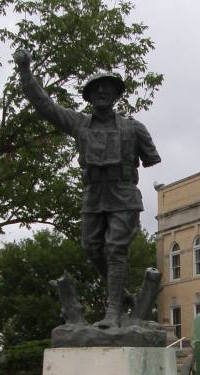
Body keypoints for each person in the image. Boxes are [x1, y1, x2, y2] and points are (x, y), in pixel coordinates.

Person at [14, 49, 161, 328]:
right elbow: (44, 105)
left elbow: (151, 157)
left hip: (124, 193)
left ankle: (113, 312)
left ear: (117, 94)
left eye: (108, 87)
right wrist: (25, 71)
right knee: (92, 248)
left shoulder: (134, 128)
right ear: (89, 95)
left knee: (116, 249)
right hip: (94, 195)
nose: (102, 91)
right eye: (96, 88)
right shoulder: (79, 124)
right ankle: (122, 294)